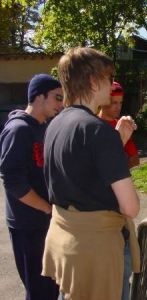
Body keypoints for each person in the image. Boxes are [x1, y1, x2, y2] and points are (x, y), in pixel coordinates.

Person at [41, 47, 141, 300]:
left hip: (68, 242)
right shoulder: (98, 131)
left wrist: (116, 141)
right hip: (96, 250)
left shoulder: (55, 123)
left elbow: (82, 173)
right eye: (108, 78)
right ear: (93, 82)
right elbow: (130, 207)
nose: (112, 85)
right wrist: (113, 142)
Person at [0, 74, 63, 300]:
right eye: (57, 98)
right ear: (39, 96)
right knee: (38, 290)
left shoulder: (42, 127)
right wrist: (47, 209)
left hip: (44, 223)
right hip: (27, 226)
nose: (61, 104)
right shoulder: (19, 130)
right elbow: (13, 181)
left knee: (50, 287)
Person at [99, 81, 138, 300]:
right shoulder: (94, 125)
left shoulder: (120, 124)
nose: (117, 108)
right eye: (113, 102)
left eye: (120, 103)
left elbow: (133, 159)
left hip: (120, 195)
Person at [98, 81, 140, 169]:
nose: (119, 107)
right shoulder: (90, 124)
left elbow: (135, 159)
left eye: (120, 103)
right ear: (103, 102)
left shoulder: (122, 125)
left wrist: (116, 169)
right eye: (114, 103)